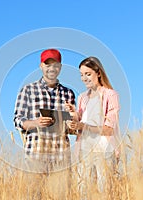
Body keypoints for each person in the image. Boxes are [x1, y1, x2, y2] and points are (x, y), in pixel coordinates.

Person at [13, 48, 76, 199]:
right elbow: (17, 120)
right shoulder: (28, 90)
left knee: (62, 196)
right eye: (48, 64)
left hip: (61, 155)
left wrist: (73, 126)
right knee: (34, 195)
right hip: (36, 154)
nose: (51, 68)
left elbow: (72, 127)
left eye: (55, 65)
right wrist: (36, 122)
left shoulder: (68, 93)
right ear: (41, 66)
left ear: (60, 68)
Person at [65, 56, 120, 197]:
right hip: (84, 150)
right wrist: (73, 114)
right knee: (83, 192)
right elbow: (82, 121)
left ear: (99, 73)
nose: (84, 78)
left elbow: (109, 129)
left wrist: (82, 125)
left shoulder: (110, 95)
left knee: (105, 192)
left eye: (88, 74)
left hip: (104, 150)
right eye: (82, 75)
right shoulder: (82, 97)